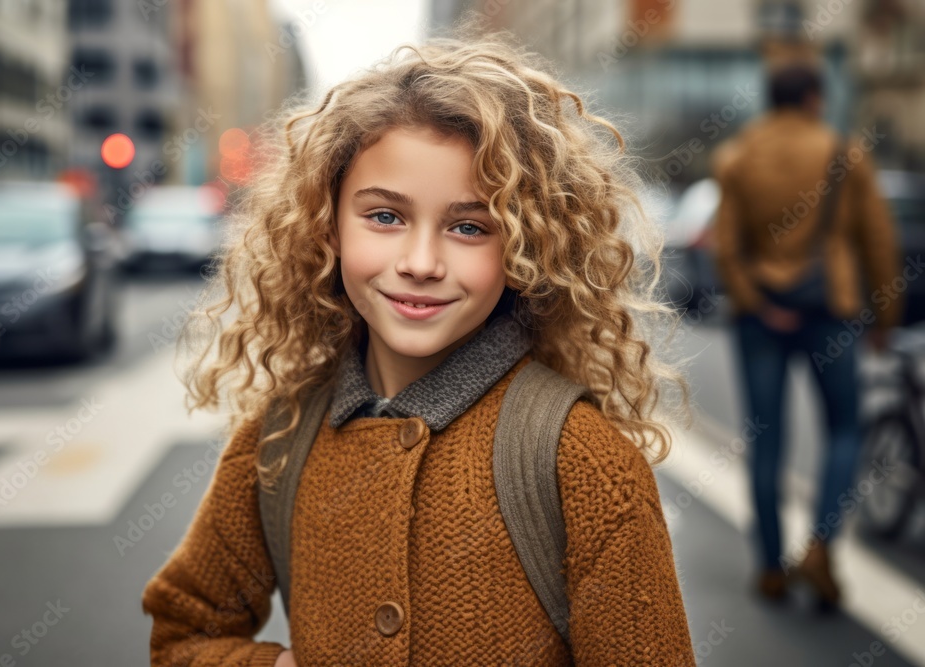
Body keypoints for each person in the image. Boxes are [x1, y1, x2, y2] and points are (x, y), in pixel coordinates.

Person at [141, 23, 697, 666]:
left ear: (522, 248)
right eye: (385, 216)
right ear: (327, 226)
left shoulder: (582, 463)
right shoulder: (279, 438)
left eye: (468, 226)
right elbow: (183, 632)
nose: (421, 261)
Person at [711, 61, 904, 609]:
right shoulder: (845, 155)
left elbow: (726, 249)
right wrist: (885, 319)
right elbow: (879, 244)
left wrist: (756, 303)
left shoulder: (738, 157)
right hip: (831, 311)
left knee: (766, 440)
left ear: (771, 101)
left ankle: (771, 568)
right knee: (844, 427)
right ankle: (820, 546)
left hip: (761, 318)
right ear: (815, 99)